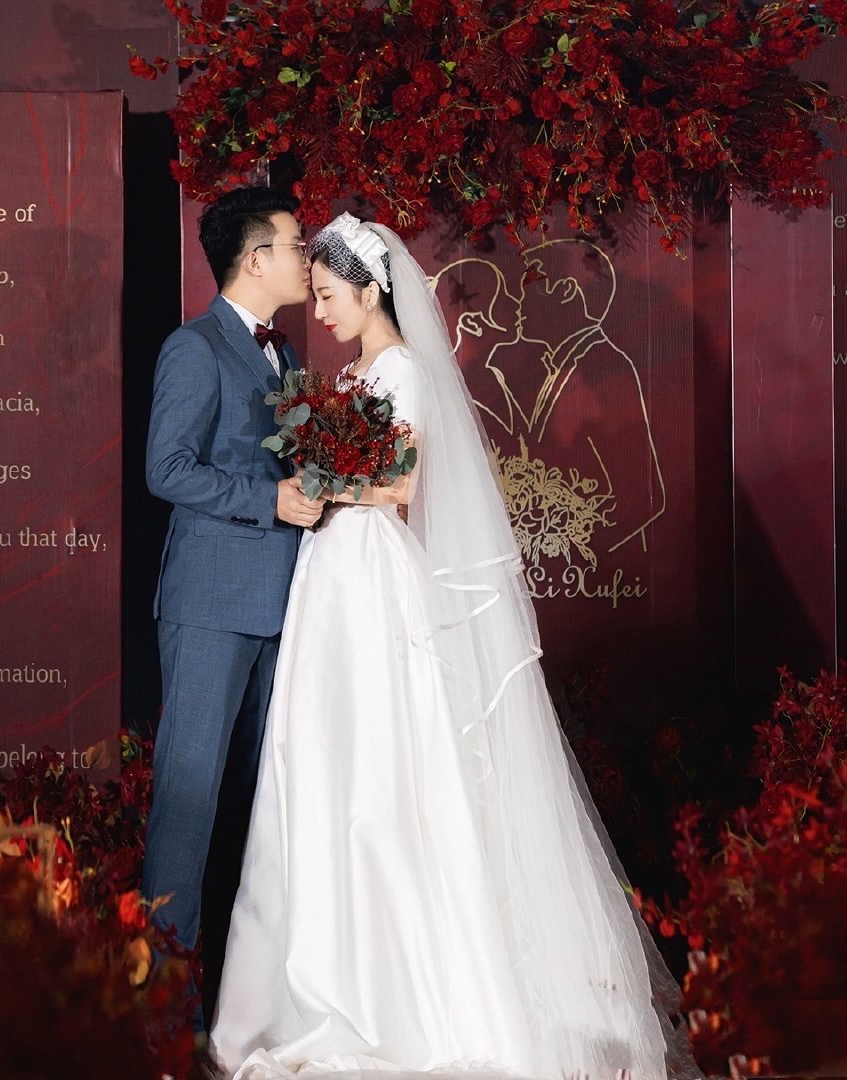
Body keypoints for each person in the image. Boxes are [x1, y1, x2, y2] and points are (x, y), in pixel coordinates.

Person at [209, 213, 699, 1080]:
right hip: (334, 570)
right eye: (313, 296)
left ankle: (399, 992)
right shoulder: (356, 372)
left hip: (370, 572)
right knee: (320, 759)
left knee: (381, 766)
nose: (319, 312)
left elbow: (401, 483)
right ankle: (314, 978)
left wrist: (323, 482)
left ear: (371, 290)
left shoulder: (402, 370)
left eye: (328, 295)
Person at [141, 185, 325, 1030]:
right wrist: (269, 499)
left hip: (282, 611)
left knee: (258, 818)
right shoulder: (195, 347)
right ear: (256, 259)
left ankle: (234, 1011)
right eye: (296, 245)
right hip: (213, 608)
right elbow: (166, 469)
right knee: (188, 811)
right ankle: (162, 1022)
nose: (307, 259)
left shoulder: (286, 357)